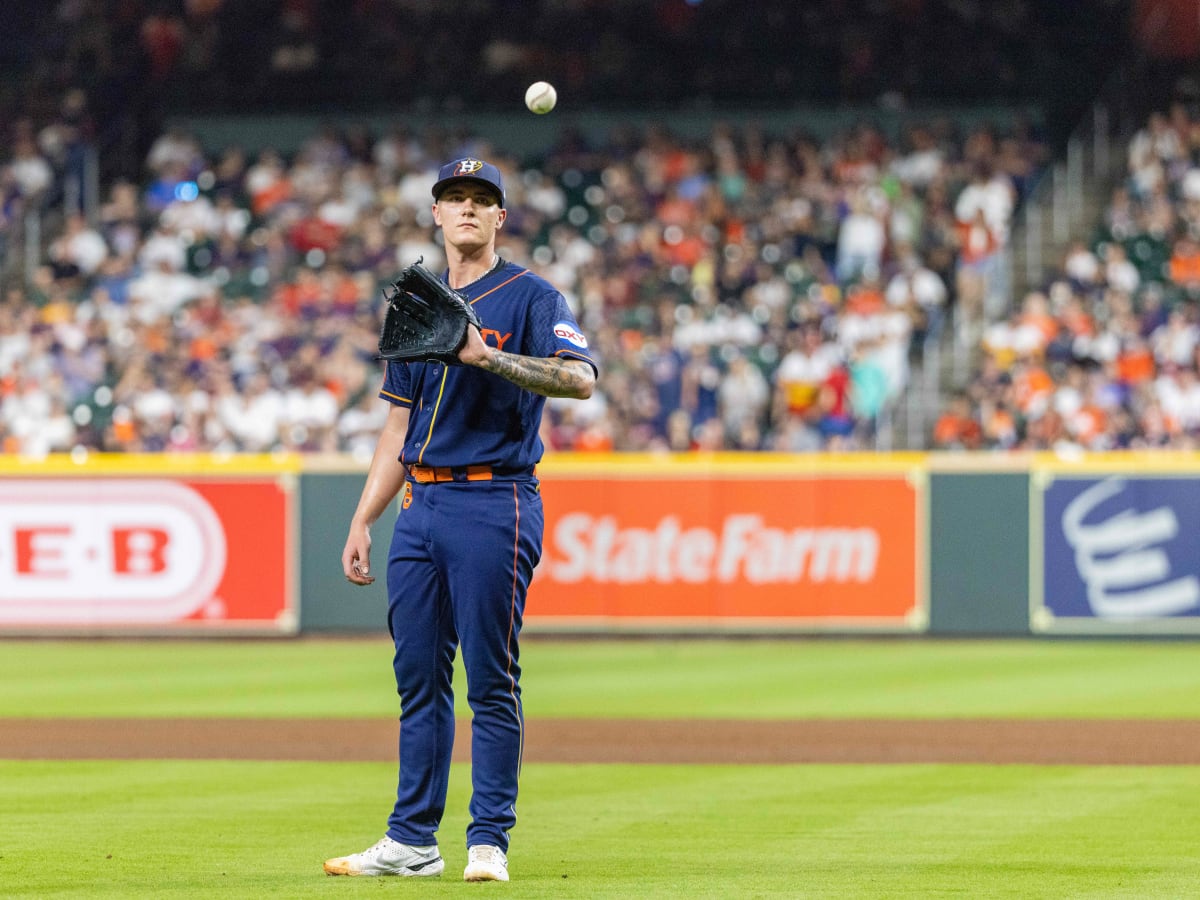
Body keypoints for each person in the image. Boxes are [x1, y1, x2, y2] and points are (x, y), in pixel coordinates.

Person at [324, 158, 597, 882]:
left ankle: (488, 841)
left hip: (494, 499)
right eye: (455, 198)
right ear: (436, 214)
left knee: (491, 679)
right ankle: (413, 840)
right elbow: (395, 429)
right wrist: (363, 519)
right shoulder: (418, 303)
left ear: (501, 217)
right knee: (417, 677)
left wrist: (489, 359)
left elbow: (580, 379)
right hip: (420, 505)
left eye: (483, 200)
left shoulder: (532, 296)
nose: (468, 209)